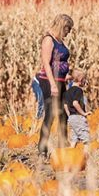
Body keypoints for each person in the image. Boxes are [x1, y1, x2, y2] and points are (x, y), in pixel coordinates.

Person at [37, 14, 74, 156]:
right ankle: (42, 150)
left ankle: (63, 146)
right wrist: (52, 84)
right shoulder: (49, 39)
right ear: (62, 26)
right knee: (51, 114)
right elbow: (46, 63)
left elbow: (60, 62)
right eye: (68, 29)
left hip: (61, 81)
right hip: (49, 81)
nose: (68, 32)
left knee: (64, 113)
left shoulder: (60, 41)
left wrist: (67, 76)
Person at [63, 68, 91, 147]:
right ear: (81, 80)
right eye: (84, 79)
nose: (85, 81)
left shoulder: (67, 91)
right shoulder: (79, 90)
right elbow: (75, 103)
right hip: (78, 117)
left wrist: (70, 115)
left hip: (71, 118)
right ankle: (87, 155)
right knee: (86, 139)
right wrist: (83, 113)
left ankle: (71, 155)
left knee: (74, 139)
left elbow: (65, 105)